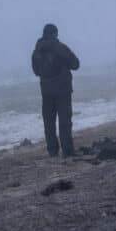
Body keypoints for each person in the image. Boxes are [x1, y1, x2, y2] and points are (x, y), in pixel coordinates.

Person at [31, 23, 80, 157]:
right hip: (63, 90)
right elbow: (75, 64)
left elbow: (36, 71)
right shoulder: (60, 48)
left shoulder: (37, 51)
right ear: (55, 34)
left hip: (46, 91)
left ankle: (52, 151)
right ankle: (67, 151)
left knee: (49, 122)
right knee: (64, 121)